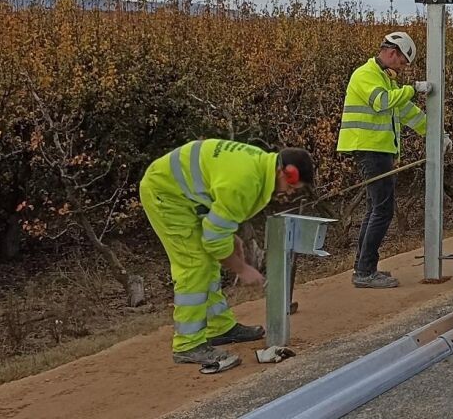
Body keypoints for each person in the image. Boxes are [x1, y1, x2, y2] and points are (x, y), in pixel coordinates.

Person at [139, 139, 313, 371]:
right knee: (194, 265)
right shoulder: (245, 181)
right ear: (285, 172)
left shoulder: (260, 165)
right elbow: (213, 240)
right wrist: (242, 269)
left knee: (207, 263)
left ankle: (219, 327)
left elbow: (217, 208)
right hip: (166, 195)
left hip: (186, 195)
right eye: (292, 187)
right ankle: (188, 345)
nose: (289, 193)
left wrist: (232, 238)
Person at [337, 31, 437, 289]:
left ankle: (364, 267)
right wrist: (413, 88)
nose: (402, 68)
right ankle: (365, 271)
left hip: (378, 150)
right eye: (402, 63)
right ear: (392, 53)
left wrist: (436, 134)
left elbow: (408, 113)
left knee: (375, 209)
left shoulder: (385, 79)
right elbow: (382, 103)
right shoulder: (366, 75)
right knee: (382, 210)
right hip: (369, 149)